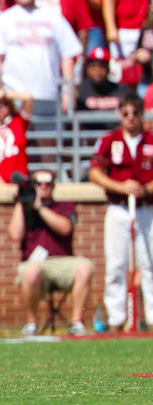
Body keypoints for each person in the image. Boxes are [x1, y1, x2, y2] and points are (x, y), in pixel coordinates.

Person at [89, 95, 153, 332]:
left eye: (135, 114)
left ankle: (150, 317)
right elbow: (95, 173)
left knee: (149, 264)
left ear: (141, 114)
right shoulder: (109, 140)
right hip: (118, 208)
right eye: (126, 114)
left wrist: (144, 189)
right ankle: (116, 318)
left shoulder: (150, 140)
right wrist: (122, 186)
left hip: (147, 208)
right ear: (120, 115)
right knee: (116, 264)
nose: (131, 119)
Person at [7, 169, 94, 336]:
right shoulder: (24, 209)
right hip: (34, 264)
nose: (43, 186)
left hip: (63, 262)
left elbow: (65, 228)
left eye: (48, 183)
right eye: (38, 183)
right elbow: (15, 235)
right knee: (31, 271)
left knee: (85, 267)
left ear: (54, 186)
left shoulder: (64, 206)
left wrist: (40, 208)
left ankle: (76, 322)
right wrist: (20, 202)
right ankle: (31, 323)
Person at [0, 0, 82, 116]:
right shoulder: (4, 19)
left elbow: (67, 55)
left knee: (49, 134)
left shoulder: (53, 17)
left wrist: (69, 93)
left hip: (48, 96)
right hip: (14, 98)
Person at [76, 47, 131, 112]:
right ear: (87, 68)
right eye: (93, 66)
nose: (97, 71)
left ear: (108, 68)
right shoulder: (79, 91)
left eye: (102, 66)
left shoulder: (122, 90)